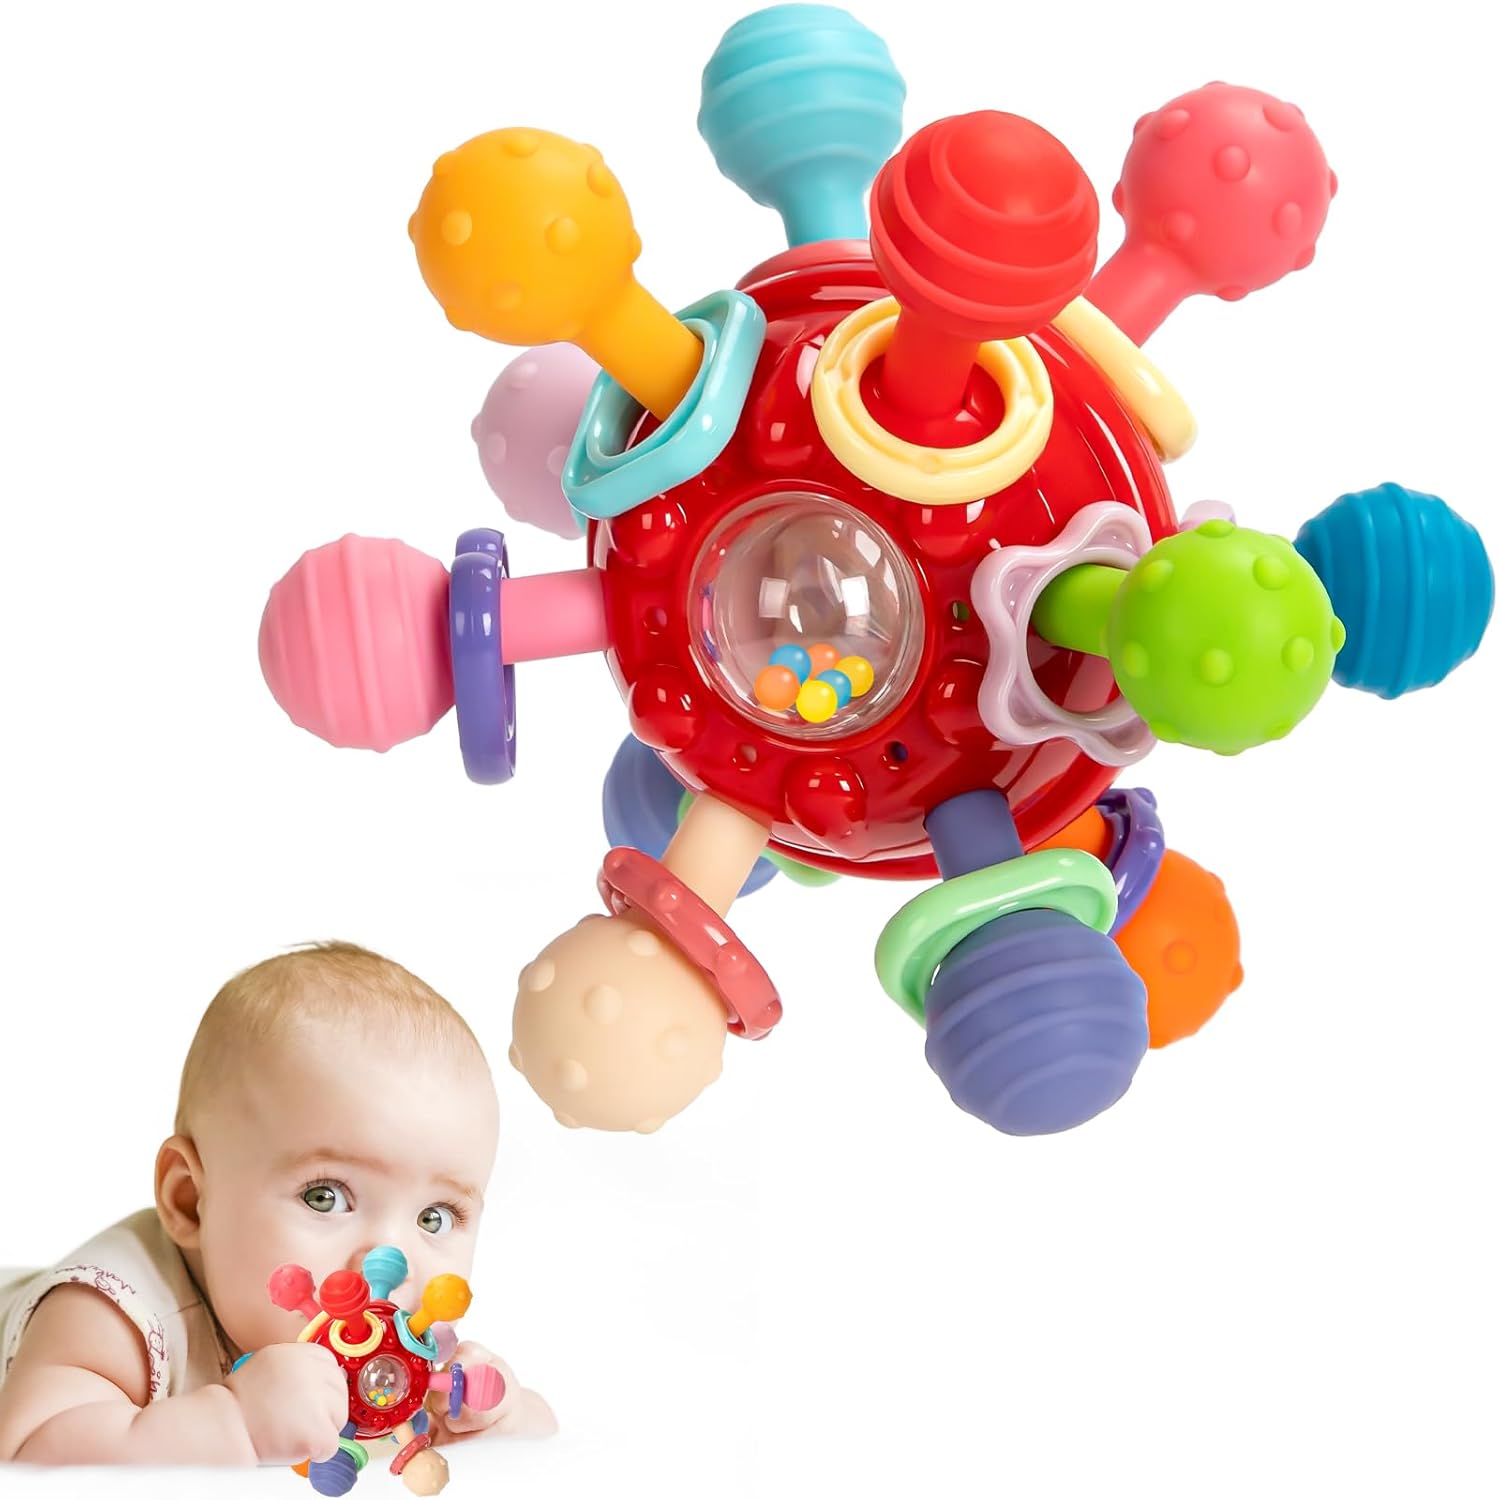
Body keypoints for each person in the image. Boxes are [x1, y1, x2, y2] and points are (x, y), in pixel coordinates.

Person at [0, 941, 555, 1468]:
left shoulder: (399, 1356)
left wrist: (496, 1419)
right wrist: (236, 1421)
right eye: (325, 1197)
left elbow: (546, 1428)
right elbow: (26, 1448)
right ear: (191, 1201)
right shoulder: (113, 1315)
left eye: (434, 1218)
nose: (390, 1263)